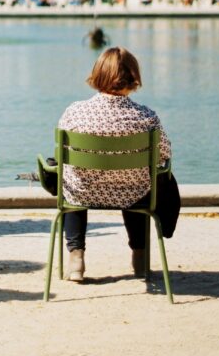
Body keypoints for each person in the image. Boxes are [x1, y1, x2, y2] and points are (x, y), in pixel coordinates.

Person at [42, 47, 178, 282]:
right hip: (134, 194)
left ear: (98, 75)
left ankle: (76, 258)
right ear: (133, 78)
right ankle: (140, 257)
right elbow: (164, 154)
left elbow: (62, 154)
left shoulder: (75, 112)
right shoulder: (147, 117)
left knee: (69, 180)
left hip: (83, 192)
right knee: (143, 181)